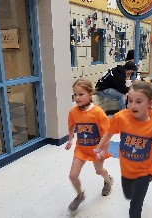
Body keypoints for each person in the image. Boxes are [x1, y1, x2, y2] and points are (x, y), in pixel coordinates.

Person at [94, 79, 152, 218]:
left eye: (139, 101)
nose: (132, 105)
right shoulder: (121, 117)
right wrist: (100, 150)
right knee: (128, 193)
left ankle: (147, 179)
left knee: (135, 206)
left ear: (150, 103)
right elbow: (109, 133)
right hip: (126, 168)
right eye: (130, 100)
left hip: (144, 171)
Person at [65, 79, 113, 211]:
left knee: (99, 171)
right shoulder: (73, 112)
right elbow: (71, 127)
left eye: (81, 94)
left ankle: (108, 180)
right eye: (75, 94)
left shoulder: (97, 112)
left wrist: (103, 150)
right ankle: (80, 195)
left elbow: (107, 134)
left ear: (90, 94)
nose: (77, 97)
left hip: (96, 150)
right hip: (81, 149)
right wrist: (70, 140)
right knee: (72, 175)